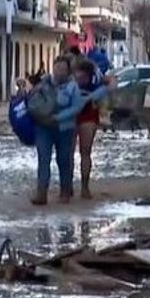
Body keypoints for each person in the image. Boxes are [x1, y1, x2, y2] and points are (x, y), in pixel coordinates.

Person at [32, 56, 84, 206]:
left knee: (63, 160)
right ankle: (41, 193)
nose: (59, 71)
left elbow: (76, 108)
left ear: (68, 71)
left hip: (64, 129)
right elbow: (33, 100)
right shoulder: (44, 83)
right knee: (43, 159)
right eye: (57, 68)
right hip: (43, 127)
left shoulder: (72, 87)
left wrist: (58, 117)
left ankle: (65, 192)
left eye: (62, 69)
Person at [72, 57, 110, 199]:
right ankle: (67, 187)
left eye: (82, 77)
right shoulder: (69, 82)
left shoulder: (96, 83)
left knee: (85, 151)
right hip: (72, 116)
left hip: (88, 115)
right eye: (77, 76)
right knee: (68, 153)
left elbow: (109, 86)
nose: (79, 79)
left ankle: (84, 187)